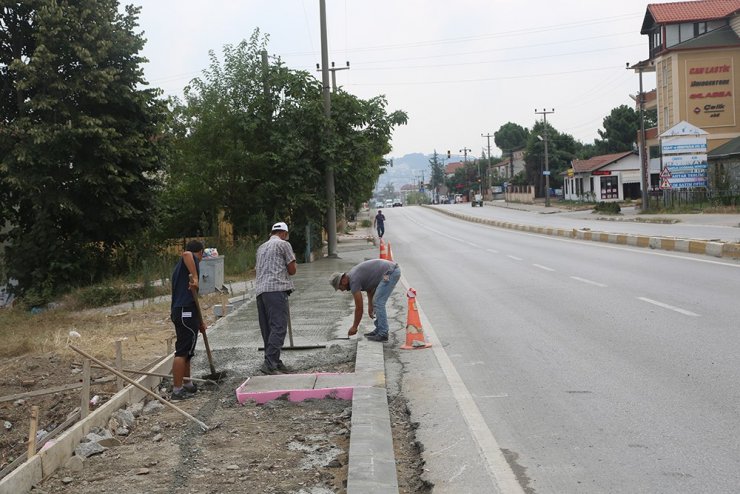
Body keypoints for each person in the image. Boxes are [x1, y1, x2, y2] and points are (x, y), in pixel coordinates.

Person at [255, 221, 297, 375]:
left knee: (268, 328)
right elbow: (292, 270)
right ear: (284, 234)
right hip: (276, 290)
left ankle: (274, 361)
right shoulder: (284, 245)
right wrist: (294, 260)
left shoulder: (261, 248)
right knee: (279, 326)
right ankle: (270, 363)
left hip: (261, 291)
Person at [330, 258, 400, 342]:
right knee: (376, 302)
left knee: (379, 302)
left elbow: (359, 308)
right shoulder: (352, 276)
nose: (342, 290)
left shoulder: (353, 281)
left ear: (343, 281)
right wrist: (370, 305)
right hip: (389, 270)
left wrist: (354, 327)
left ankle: (383, 333)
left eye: (340, 287)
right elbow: (369, 288)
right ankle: (379, 329)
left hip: (390, 272)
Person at [170, 239, 206, 401]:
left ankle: (187, 383)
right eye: (201, 255)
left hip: (185, 311)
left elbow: (193, 298)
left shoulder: (181, 270)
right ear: (201, 253)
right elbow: (186, 254)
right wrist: (197, 278)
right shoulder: (189, 259)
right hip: (185, 312)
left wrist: (199, 321)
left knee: (188, 351)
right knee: (182, 351)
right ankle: (177, 390)